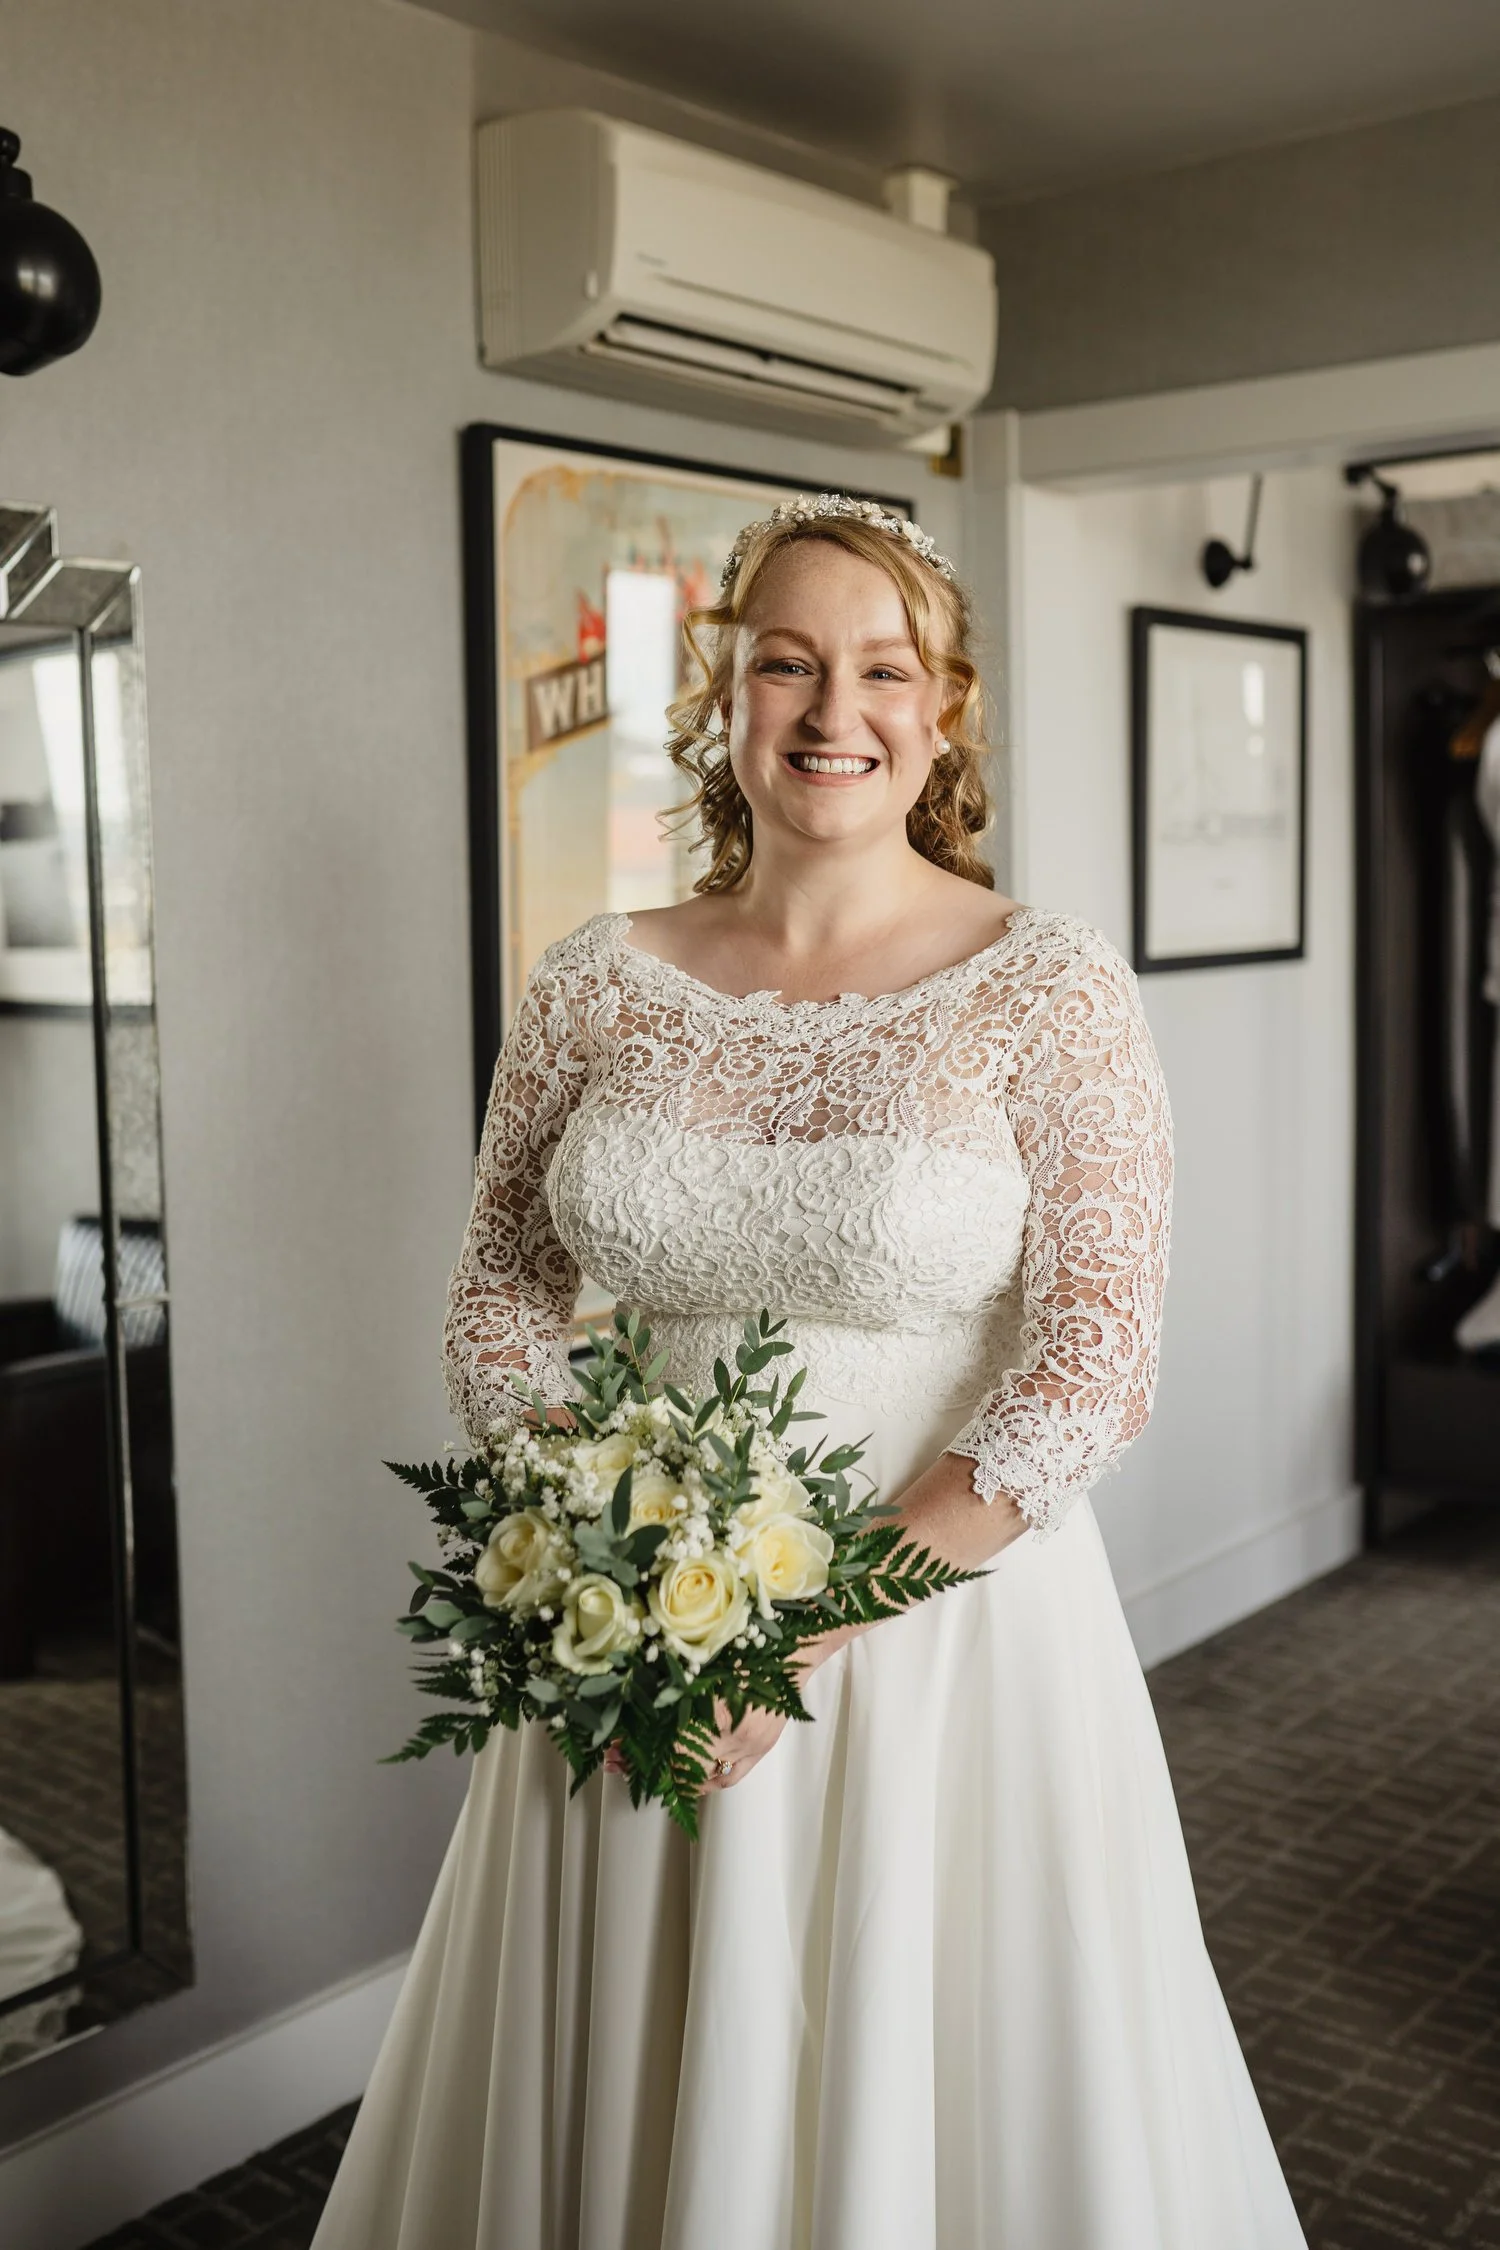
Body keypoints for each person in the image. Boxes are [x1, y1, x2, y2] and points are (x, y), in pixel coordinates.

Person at [312, 494, 1307, 2250]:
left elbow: (1093, 1363)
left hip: (946, 1660)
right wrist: (619, 1566)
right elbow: (499, 1301)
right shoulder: (594, 985)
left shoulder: (1050, 987)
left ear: (942, 714)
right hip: (637, 1641)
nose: (829, 707)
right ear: (726, 696)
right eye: (786, 660)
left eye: (879, 667)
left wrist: (789, 1626)